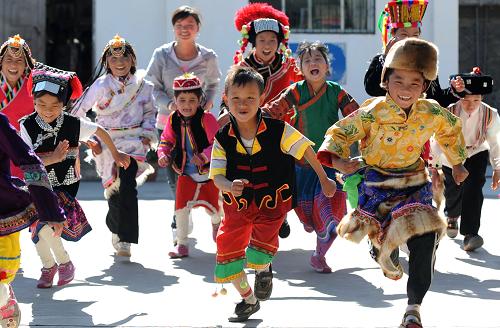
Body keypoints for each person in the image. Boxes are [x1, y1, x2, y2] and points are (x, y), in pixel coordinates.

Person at [317, 38, 468, 328]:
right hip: (378, 185)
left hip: (415, 182)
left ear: (424, 86)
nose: (406, 90)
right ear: (386, 80)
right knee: (387, 247)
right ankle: (382, 249)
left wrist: (458, 163)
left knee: (428, 240)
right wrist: (339, 162)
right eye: (398, 80)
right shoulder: (372, 111)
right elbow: (337, 133)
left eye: (415, 83)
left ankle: (413, 309)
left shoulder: (432, 111)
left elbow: (451, 131)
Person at [210, 66, 336, 322]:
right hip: (238, 206)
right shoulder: (222, 137)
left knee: (258, 254)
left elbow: (305, 150)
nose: (242, 104)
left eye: (250, 98)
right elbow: (217, 175)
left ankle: (264, 267)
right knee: (227, 257)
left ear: (261, 100)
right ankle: (248, 299)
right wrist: (228, 184)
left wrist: (324, 179)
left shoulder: (279, 129)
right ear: (225, 99)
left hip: (272, 203)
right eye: (236, 98)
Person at [20, 63, 130, 288]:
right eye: (41, 104)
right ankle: (56, 265)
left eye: (54, 105)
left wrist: (116, 153)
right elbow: (26, 164)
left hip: (65, 184)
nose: (48, 110)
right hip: (38, 184)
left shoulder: (73, 124)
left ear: (64, 104)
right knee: (37, 229)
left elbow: (100, 130)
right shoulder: (26, 126)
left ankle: (54, 267)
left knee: (47, 225)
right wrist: (52, 158)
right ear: (33, 102)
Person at [263, 41, 359, 272]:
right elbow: (273, 110)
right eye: (307, 60)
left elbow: (357, 117)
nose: (313, 63)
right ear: (300, 68)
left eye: (318, 59)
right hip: (299, 162)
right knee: (300, 212)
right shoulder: (296, 91)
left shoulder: (336, 91)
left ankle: (319, 255)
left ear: (327, 67)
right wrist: (247, 115)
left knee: (332, 210)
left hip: (328, 161)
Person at [223, 2, 304, 238]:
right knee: (255, 174)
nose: (267, 46)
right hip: (249, 128)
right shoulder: (243, 67)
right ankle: (252, 216)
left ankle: (282, 214)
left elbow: (301, 87)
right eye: (262, 41)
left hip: (281, 128)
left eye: (272, 41)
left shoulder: (289, 65)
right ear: (253, 43)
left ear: (279, 43)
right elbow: (227, 95)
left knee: (283, 172)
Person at [71, 35, 157, 257]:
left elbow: (150, 112)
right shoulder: (99, 86)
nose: (120, 64)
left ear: (132, 60)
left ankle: (126, 238)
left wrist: (148, 134)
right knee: (113, 189)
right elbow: (77, 113)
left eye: (124, 58)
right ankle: (116, 229)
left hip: (134, 143)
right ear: (106, 62)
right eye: (114, 59)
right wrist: (88, 138)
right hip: (106, 143)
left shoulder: (144, 85)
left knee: (128, 185)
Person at [146, 5, 221, 243]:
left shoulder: (208, 56)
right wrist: (170, 105)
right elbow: (153, 86)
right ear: (173, 29)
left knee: (204, 173)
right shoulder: (161, 55)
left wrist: (206, 103)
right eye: (179, 26)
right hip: (168, 123)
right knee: (175, 176)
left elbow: (213, 84)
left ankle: (213, 217)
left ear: (198, 28)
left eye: (189, 25)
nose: (184, 30)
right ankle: (179, 222)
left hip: (200, 125)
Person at [0, 111, 65, 326]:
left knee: (2, 273)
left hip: (2, 211)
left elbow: (29, 161)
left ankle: (3, 299)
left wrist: (50, 210)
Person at [429, 67, 500, 251]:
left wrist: (497, 168)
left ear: (482, 98)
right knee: (453, 188)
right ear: (459, 97)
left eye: (476, 100)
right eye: (466, 100)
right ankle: (452, 216)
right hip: (449, 155)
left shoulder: (490, 114)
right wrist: (434, 168)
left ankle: (471, 234)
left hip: (476, 151)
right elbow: (436, 139)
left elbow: (495, 142)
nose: (470, 105)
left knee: (474, 187)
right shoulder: (449, 111)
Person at [157, 73, 221, 258]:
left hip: (209, 175)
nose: (186, 105)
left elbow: (218, 144)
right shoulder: (172, 119)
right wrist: (163, 154)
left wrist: (204, 156)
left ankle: (217, 223)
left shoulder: (207, 119)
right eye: (182, 100)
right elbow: (166, 140)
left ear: (200, 100)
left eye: (192, 100)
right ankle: (182, 243)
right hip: (185, 174)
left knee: (216, 210)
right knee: (181, 210)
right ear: (175, 101)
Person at [364, 0, 464, 108]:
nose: (410, 39)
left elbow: (437, 99)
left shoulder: (425, 63)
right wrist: (387, 58)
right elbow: (372, 89)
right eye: (404, 34)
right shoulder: (381, 60)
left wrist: (454, 90)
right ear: (393, 34)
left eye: (415, 35)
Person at [0, 34, 37, 178]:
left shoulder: (34, 87)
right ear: (1, 62)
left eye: (19, 60)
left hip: (23, 153)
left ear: (26, 63)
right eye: (9, 60)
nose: (14, 65)